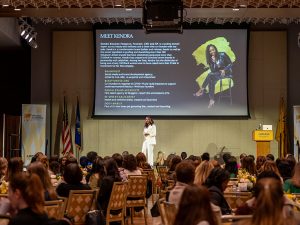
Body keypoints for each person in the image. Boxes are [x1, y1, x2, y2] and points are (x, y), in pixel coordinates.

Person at [194, 44, 233, 108]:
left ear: (215, 49)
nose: (212, 52)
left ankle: (201, 90)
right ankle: (212, 100)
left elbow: (230, 63)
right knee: (211, 81)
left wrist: (224, 70)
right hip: (217, 74)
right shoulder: (210, 59)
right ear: (208, 52)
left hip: (227, 72)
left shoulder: (222, 54)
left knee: (210, 75)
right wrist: (214, 62)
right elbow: (213, 71)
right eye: (210, 51)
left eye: (213, 50)